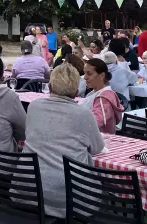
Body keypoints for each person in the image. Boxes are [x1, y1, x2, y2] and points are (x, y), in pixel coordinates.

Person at [24, 63, 104, 219]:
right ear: (76, 91)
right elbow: (97, 148)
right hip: (68, 195)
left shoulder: (34, 106)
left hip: (28, 188)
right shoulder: (83, 113)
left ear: (50, 87)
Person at [79, 58, 123, 134]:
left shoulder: (103, 98)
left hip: (99, 139)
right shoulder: (95, 92)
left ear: (102, 75)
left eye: (89, 74)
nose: (85, 77)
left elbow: (95, 122)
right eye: (84, 73)